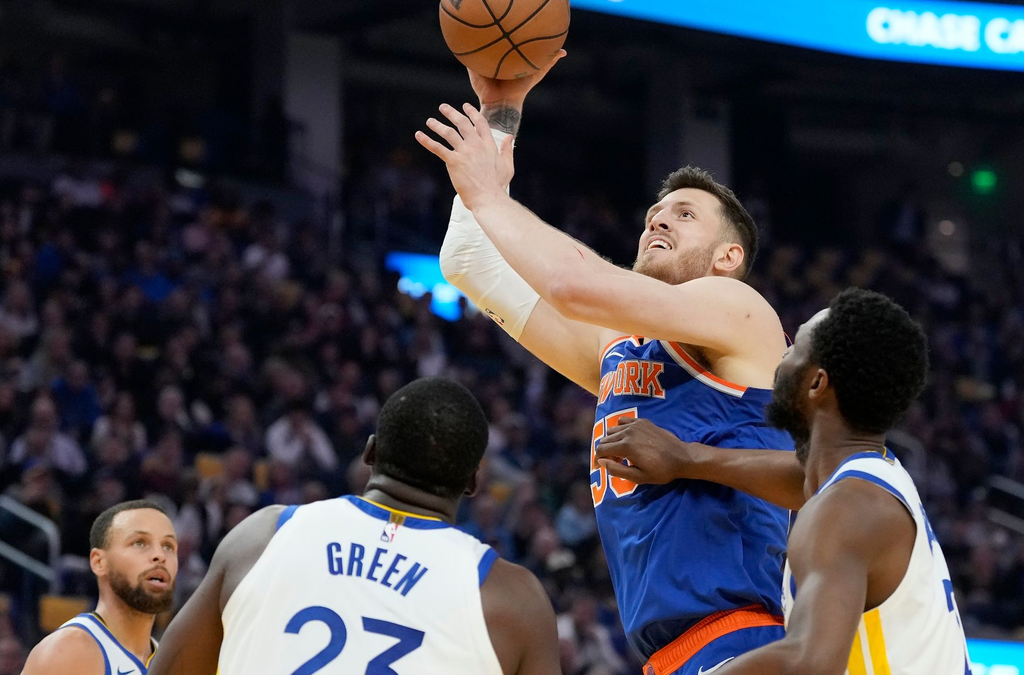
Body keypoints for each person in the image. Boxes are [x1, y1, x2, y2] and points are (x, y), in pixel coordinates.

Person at [420, 58, 799, 675]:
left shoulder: (741, 311)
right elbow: (469, 262)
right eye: (657, 210)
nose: (659, 217)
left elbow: (573, 283)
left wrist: (490, 192)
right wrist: (500, 112)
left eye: (684, 214)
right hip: (669, 653)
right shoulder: (620, 351)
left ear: (728, 256)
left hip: (739, 638)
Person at [598, 289, 970, 674]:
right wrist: (688, 458)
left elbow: (808, 663)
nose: (780, 358)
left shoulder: (843, 511)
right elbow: (799, 477)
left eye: (793, 351)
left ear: (816, 384)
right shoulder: (873, 477)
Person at [147, 377, 560, 675]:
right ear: (473, 482)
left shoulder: (262, 535)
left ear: (370, 452)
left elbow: (170, 669)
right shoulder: (514, 600)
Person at [22, 500, 179, 675]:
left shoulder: (171, 663)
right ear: (99, 562)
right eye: (140, 543)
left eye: (168, 546)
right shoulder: (69, 651)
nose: (160, 555)